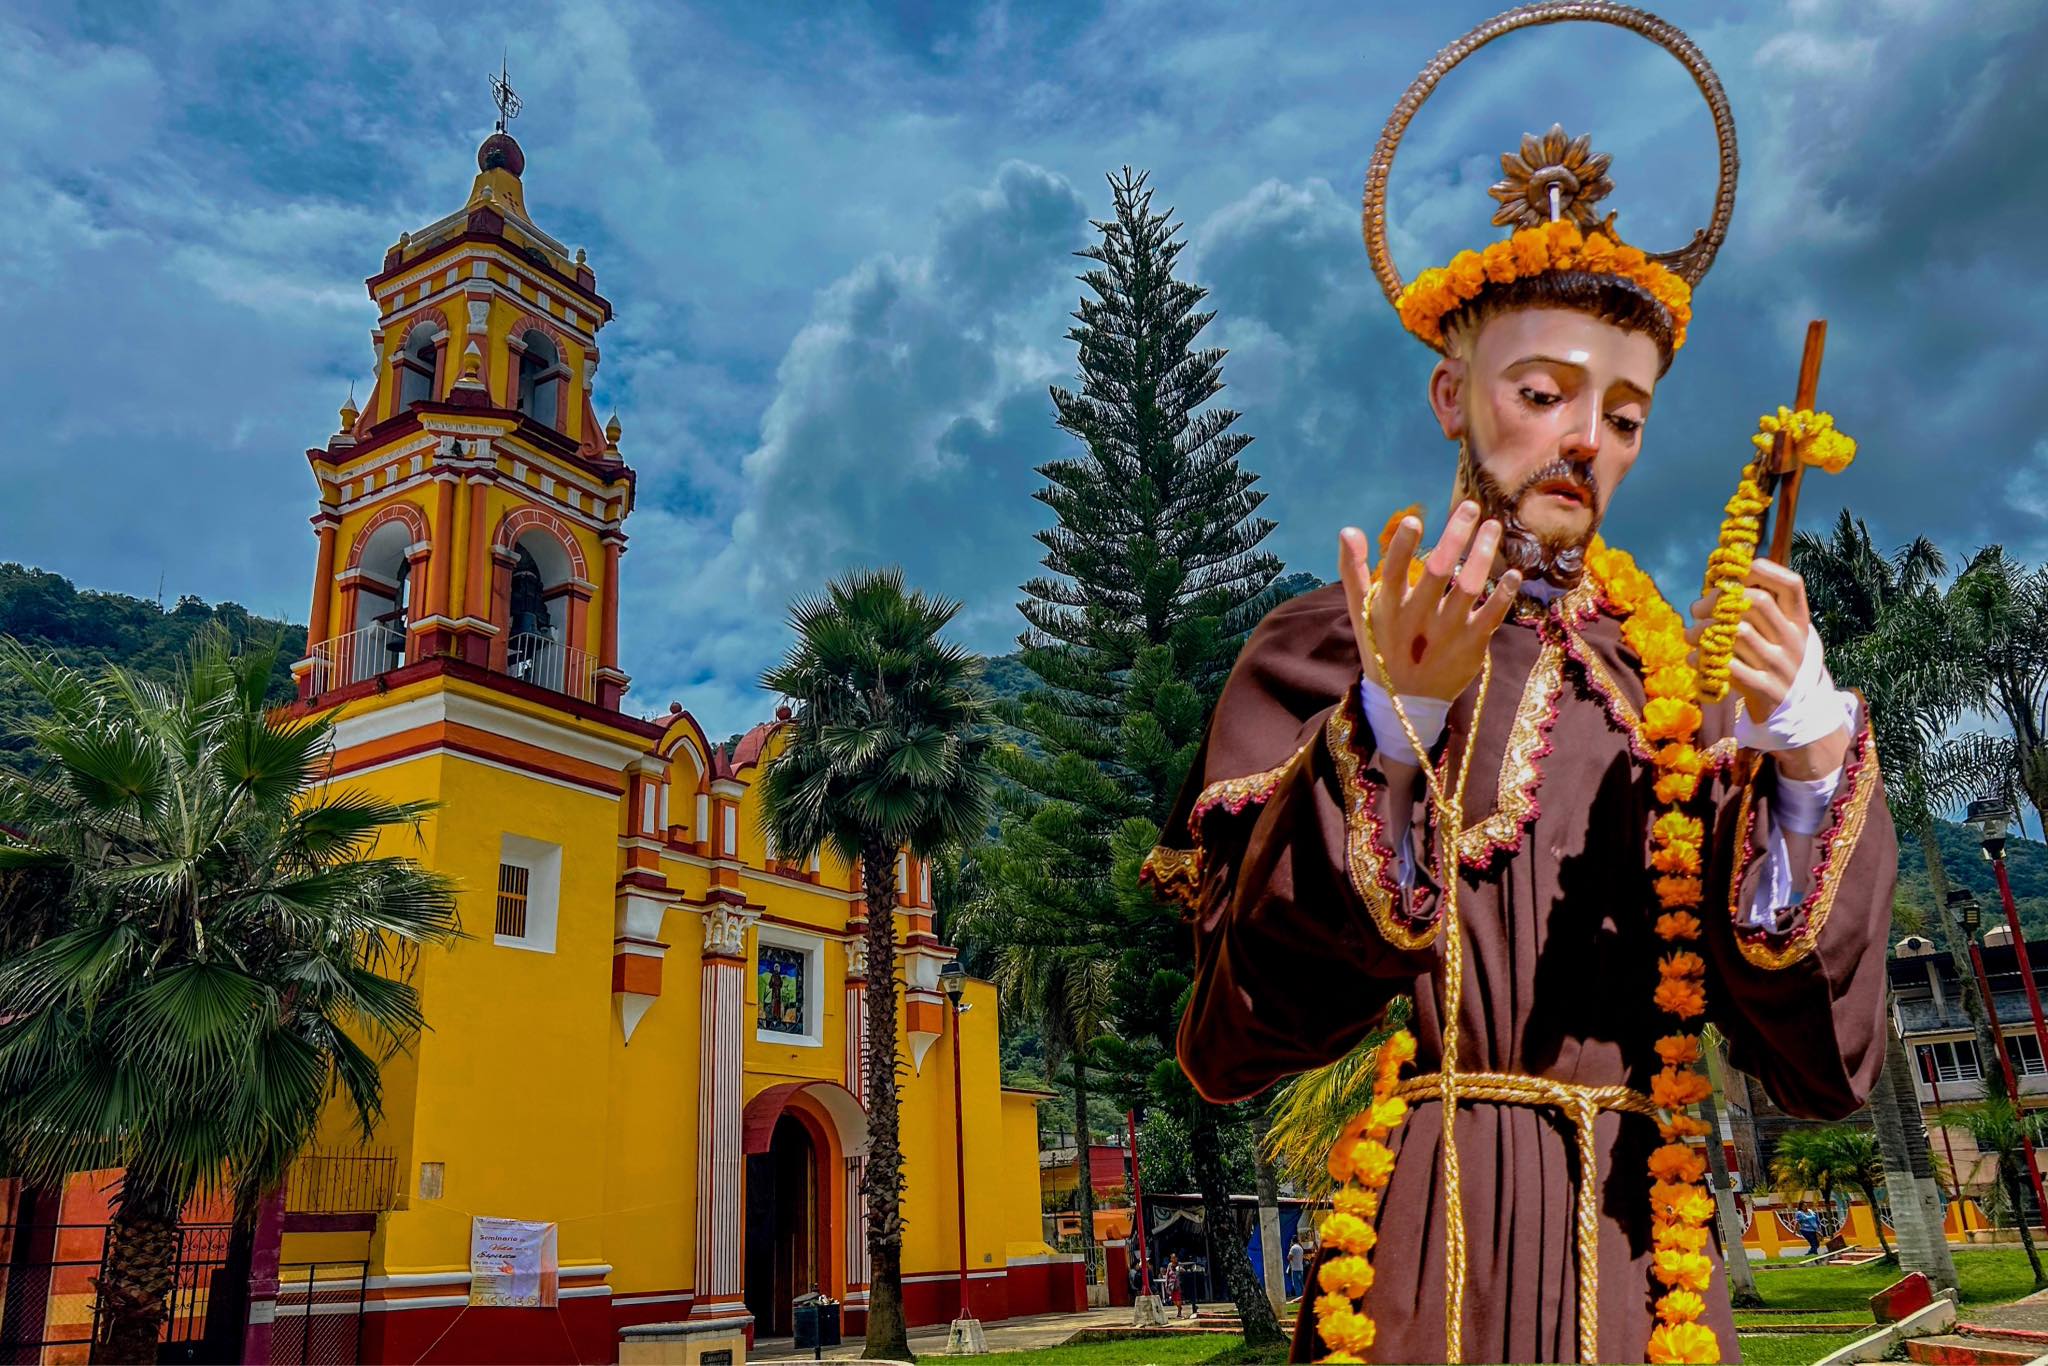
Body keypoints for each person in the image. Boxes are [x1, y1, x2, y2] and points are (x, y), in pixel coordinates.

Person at [1141, 9, 1896, 1363]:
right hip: (1433, 1256)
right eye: (1542, 391)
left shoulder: (1671, 690)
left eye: (1623, 414)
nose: (1584, 442)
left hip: (1642, 1243)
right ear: (1451, 395)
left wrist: (1804, 764)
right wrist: (1393, 723)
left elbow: (1822, 1069)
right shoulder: (1326, 645)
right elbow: (1230, 1039)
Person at [1286, 1235, 1306, 1300]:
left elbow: (1289, 1257)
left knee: (1297, 1285)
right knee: (1301, 1284)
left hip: (1295, 1269)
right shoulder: (1300, 1248)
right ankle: (1304, 1297)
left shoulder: (1293, 1248)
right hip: (1300, 1268)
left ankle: (1299, 1298)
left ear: (1292, 1241)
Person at [1165, 1253, 1184, 1320]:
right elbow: (1167, 1274)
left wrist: (1180, 1270)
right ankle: (1179, 1308)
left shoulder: (1179, 1265)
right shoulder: (1169, 1265)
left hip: (1177, 1284)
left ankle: (1179, 1312)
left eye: (1174, 1258)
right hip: (1171, 1285)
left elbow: (1183, 1271)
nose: (1173, 1259)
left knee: (1178, 1299)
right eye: (1172, 1258)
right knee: (1174, 1300)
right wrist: (1166, 1284)